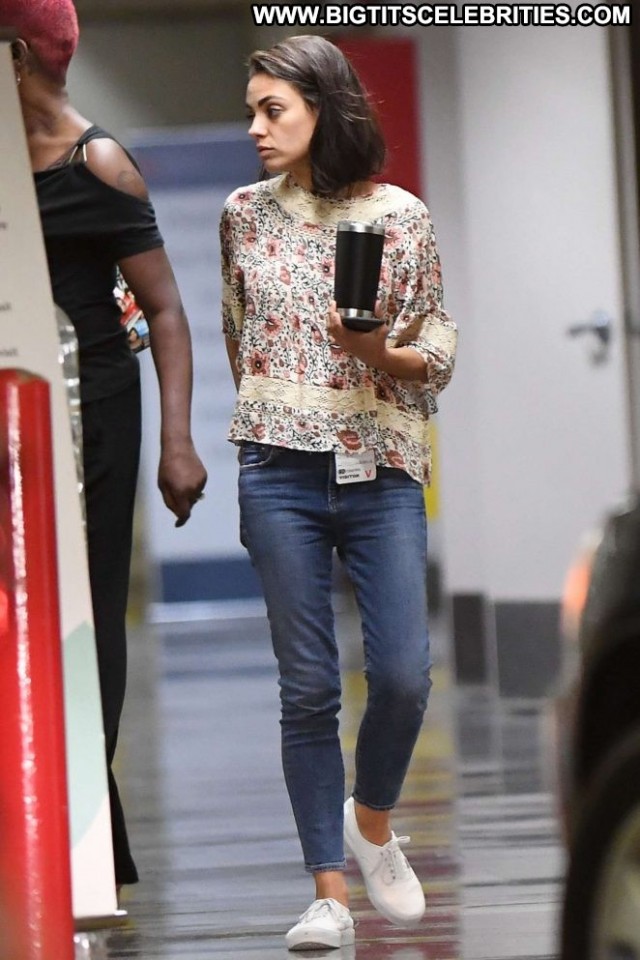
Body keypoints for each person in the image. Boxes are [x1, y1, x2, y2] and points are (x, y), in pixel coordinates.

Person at [220, 34, 457, 952]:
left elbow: (435, 353)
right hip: (277, 470)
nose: (256, 127)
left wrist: (372, 353)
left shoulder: (402, 216)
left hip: (382, 465)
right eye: (252, 110)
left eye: (272, 109)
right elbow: (241, 336)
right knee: (310, 684)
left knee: (402, 674)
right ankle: (328, 891)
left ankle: (372, 819)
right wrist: (281, 415)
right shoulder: (243, 215)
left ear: (324, 109)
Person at [2, 0, 207, 890]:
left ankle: (79, 824)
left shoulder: (100, 163)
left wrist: (177, 442)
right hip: (11, 407)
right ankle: (62, 829)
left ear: (17, 57)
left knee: (83, 607)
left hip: (93, 409)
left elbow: (165, 309)